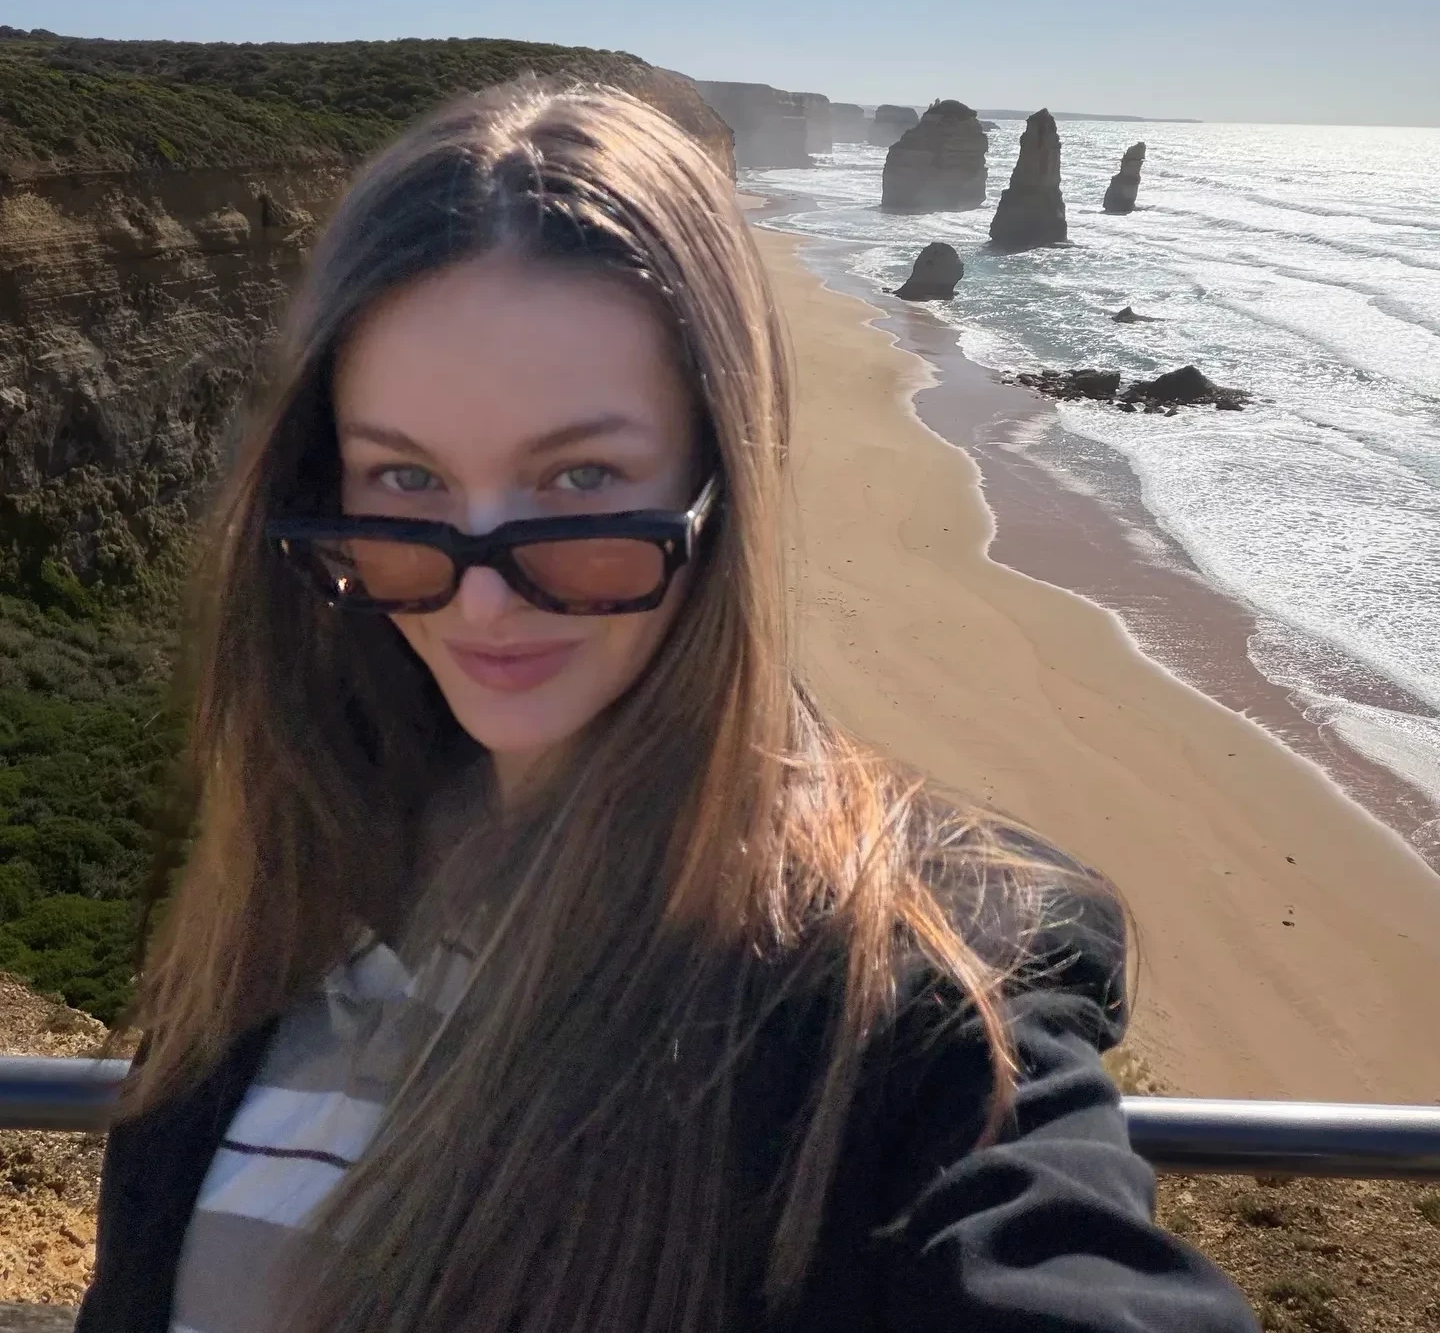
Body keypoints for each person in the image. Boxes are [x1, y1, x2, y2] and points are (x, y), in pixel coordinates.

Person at [78, 83, 1258, 1333]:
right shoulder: (293, 882)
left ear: (724, 480)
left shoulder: (911, 982)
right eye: (406, 480)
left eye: (581, 477)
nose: (482, 599)